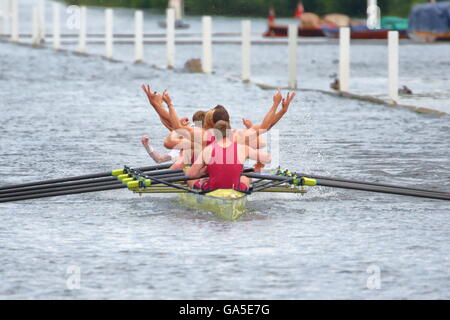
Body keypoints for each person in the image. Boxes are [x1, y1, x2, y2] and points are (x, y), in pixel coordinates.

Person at [185, 120, 272, 192]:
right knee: (245, 177)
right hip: (235, 189)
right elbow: (268, 158)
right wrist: (259, 163)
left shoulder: (207, 150)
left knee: (189, 177)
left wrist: (201, 172)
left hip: (212, 190)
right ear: (230, 133)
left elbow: (191, 174)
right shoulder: (243, 148)